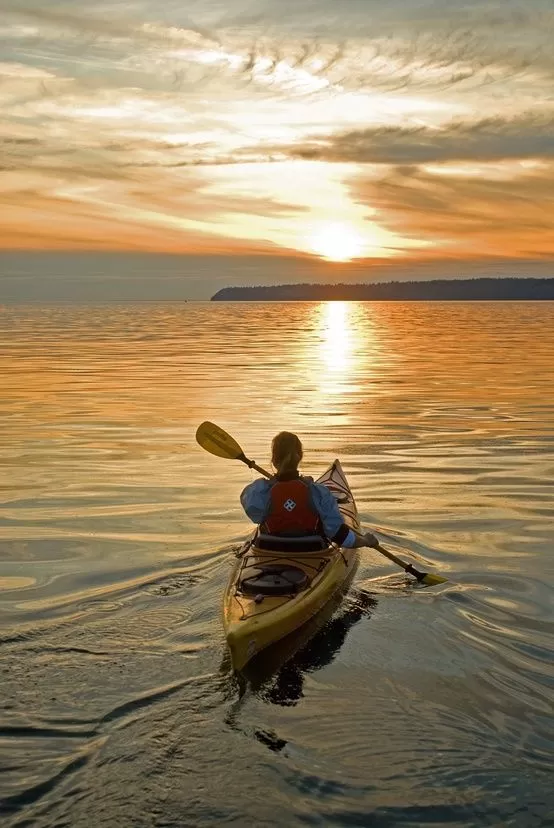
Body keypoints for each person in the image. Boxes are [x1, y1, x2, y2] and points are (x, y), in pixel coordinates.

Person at [240, 431, 378, 549]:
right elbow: (339, 536)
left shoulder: (259, 492)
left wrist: (273, 484)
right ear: (300, 457)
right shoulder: (319, 492)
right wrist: (365, 541)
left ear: (274, 460)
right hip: (310, 548)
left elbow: (253, 511)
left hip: (269, 547)